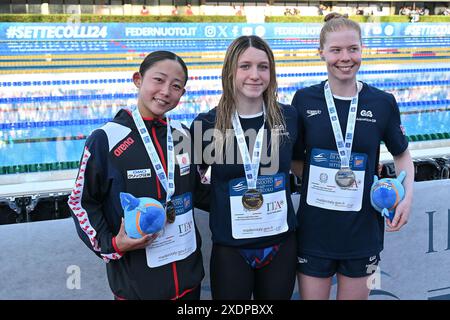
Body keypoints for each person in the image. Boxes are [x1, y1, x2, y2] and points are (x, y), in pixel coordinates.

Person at [291, 13, 414, 300]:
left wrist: (406, 197)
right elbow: (295, 160)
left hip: (364, 233)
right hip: (314, 231)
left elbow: (402, 154)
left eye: (352, 49)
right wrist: (321, 182)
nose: (345, 58)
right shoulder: (304, 100)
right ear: (320, 51)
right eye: (335, 50)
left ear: (362, 50)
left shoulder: (383, 103)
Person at [68, 51, 204, 300]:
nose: (165, 91)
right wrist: (112, 244)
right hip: (137, 288)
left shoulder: (182, 135)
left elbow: (198, 188)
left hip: (188, 281)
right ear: (138, 79)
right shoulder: (106, 139)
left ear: (182, 94)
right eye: (158, 80)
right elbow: (81, 202)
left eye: (176, 86)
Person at [190, 35, 298, 299]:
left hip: (281, 244)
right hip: (231, 249)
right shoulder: (207, 125)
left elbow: (299, 165)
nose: (255, 75)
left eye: (263, 67)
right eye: (245, 66)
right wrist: (224, 201)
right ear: (230, 71)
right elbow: (191, 182)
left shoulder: (289, 118)